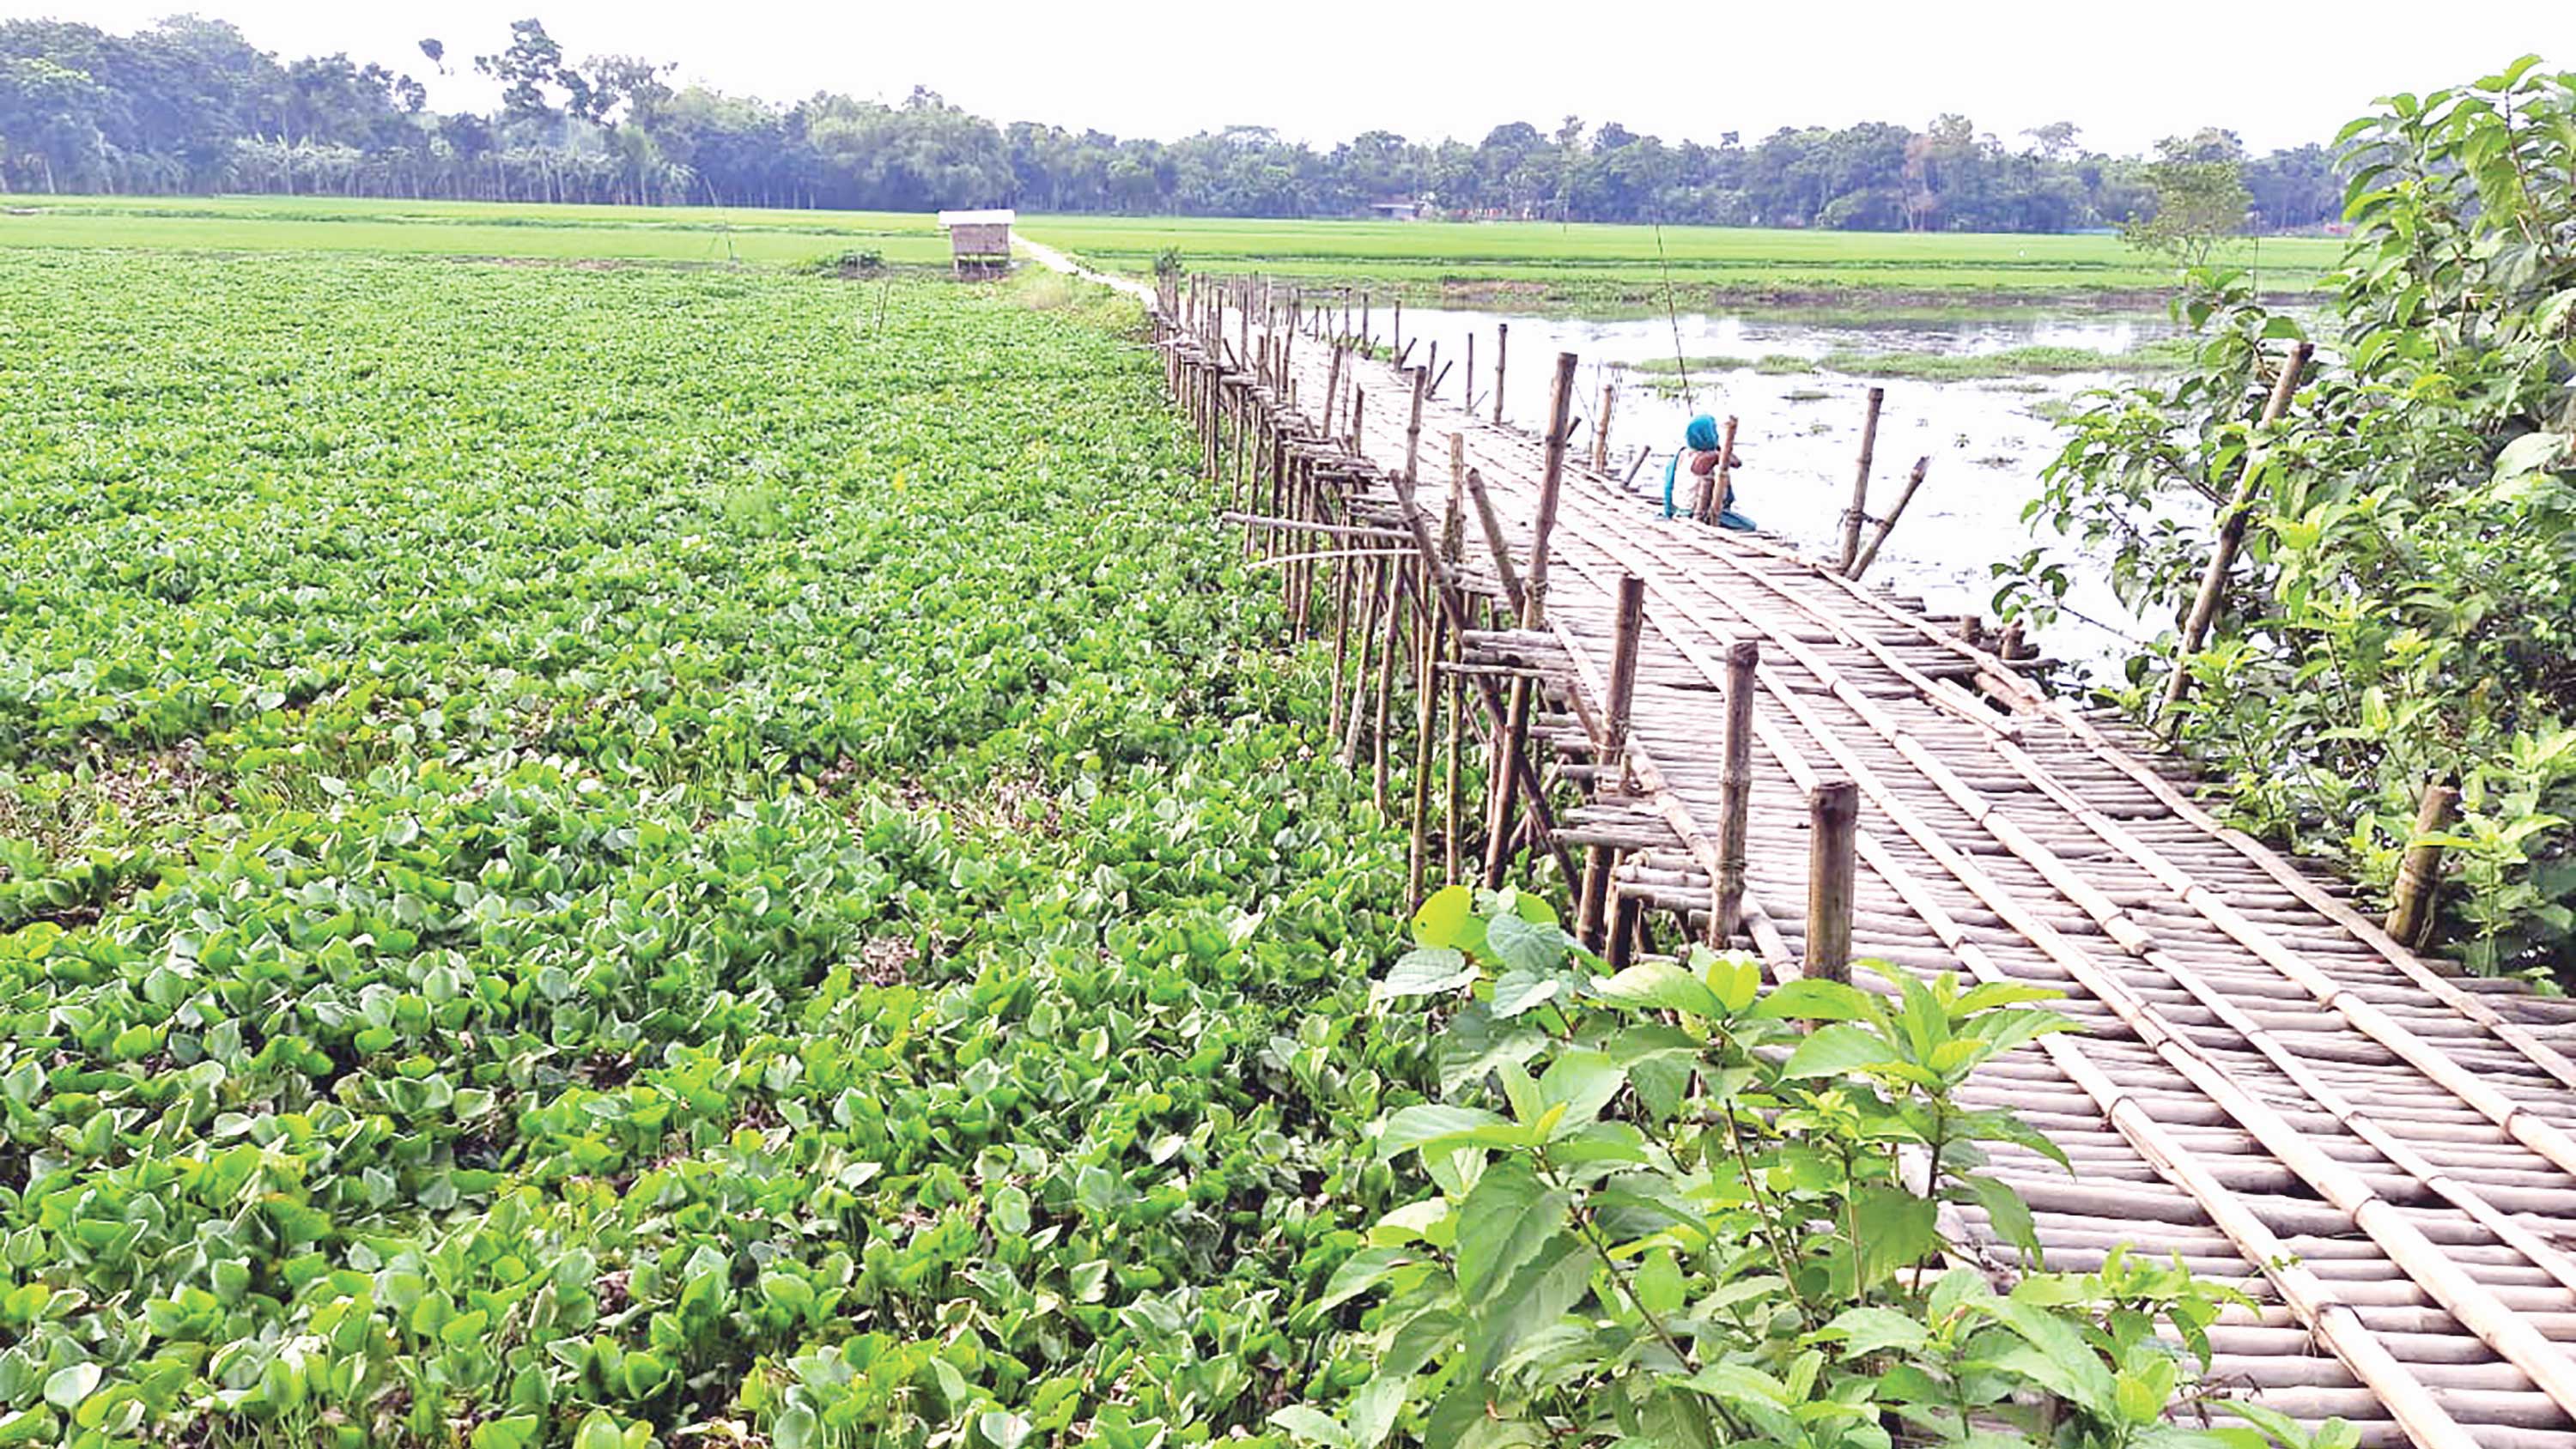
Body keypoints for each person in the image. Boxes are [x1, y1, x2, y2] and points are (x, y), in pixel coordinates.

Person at [1662, 415, 1754, 530]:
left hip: (1681, 508)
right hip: (1692, 513)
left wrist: (1718, 449)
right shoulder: (1707, 457)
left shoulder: (1685, 452)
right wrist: (1720, 450)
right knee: (1749, 526)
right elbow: (1736, 463)